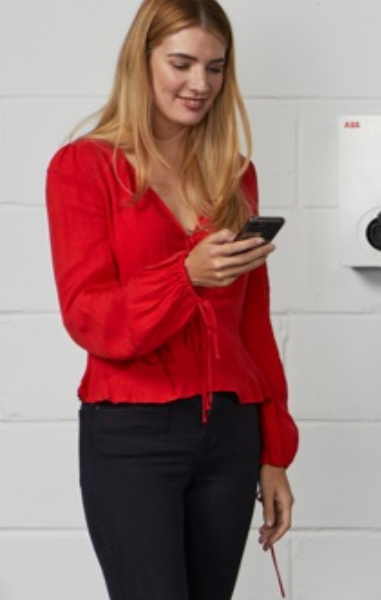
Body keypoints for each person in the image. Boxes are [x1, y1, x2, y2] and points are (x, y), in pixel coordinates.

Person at [45, 1, 298, 598]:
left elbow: (252, 327)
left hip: (231, 437)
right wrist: (185, 276)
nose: (200, 84)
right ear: (142, 60)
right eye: (181, 63)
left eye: (215, 68)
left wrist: (274, 451)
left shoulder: (233, 173)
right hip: (133, 437)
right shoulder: (83, 168)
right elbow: (90, 320)